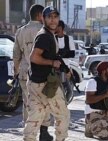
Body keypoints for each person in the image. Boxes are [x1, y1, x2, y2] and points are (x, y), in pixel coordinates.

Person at [23, 6, 70, 141]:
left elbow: (53, 55)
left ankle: (28, 139)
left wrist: (65, 68)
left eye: (55, 17)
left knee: (36, 116)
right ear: (42, 18)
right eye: (49, 17)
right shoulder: (44, 35)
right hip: (45, 85)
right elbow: (34, 57)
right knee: (63, 115)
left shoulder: (48, 34)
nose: (53, 20)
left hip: (35, 83)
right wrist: (52, 63)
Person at [13, 4, 54, 141]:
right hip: (43, 74)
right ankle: (44, 131)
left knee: (28, 103)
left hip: (25, 73)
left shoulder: (20, 31)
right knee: (44, 102)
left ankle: (29, 133)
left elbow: (16, 55)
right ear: (39, 15)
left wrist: (15, 72)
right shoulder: (46, 31)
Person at [55, 20, 75, 103]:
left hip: (65, 68)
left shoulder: (68, 39)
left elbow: (72, 54)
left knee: (69, 91)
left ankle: (64, 105)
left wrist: (61, 54)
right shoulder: (53, 38)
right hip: (55, 68)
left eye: (57, 27)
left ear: (61, 28)